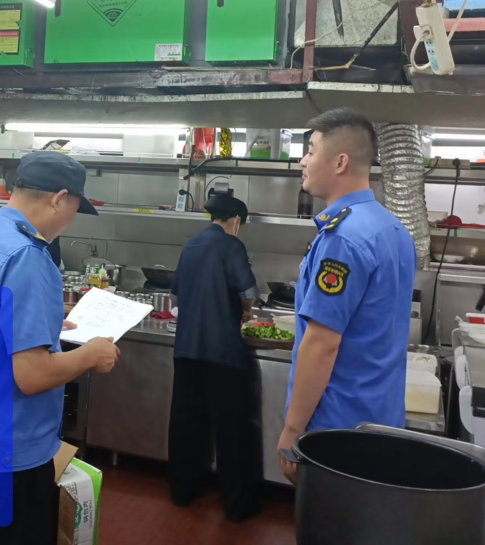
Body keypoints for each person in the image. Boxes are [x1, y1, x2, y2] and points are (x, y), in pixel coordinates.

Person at [0, 150, 120, 544]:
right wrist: (90, 354)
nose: (71, 218)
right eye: (74, 208)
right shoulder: (28, 256)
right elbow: (33, 376)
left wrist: (45, 324)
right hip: (8, 456)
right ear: (59, 198)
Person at [279, 108, 416, 484]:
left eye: (310, 150)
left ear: (340, 162)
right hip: (381, 420)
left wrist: (292, 429)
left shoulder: (342, 239)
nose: (303, 161)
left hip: (336, 430)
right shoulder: (393, 229)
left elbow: (322, 343)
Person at [167, 192, 262, 522]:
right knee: (231, 428)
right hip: (223, 352)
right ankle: (237, 506)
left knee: (186, 422)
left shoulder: (191, 245)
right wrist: (246, 311)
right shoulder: (231, 245)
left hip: (187, 349)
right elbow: (248, 292)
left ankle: (182, 491)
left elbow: (175, 296)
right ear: (236, 221)